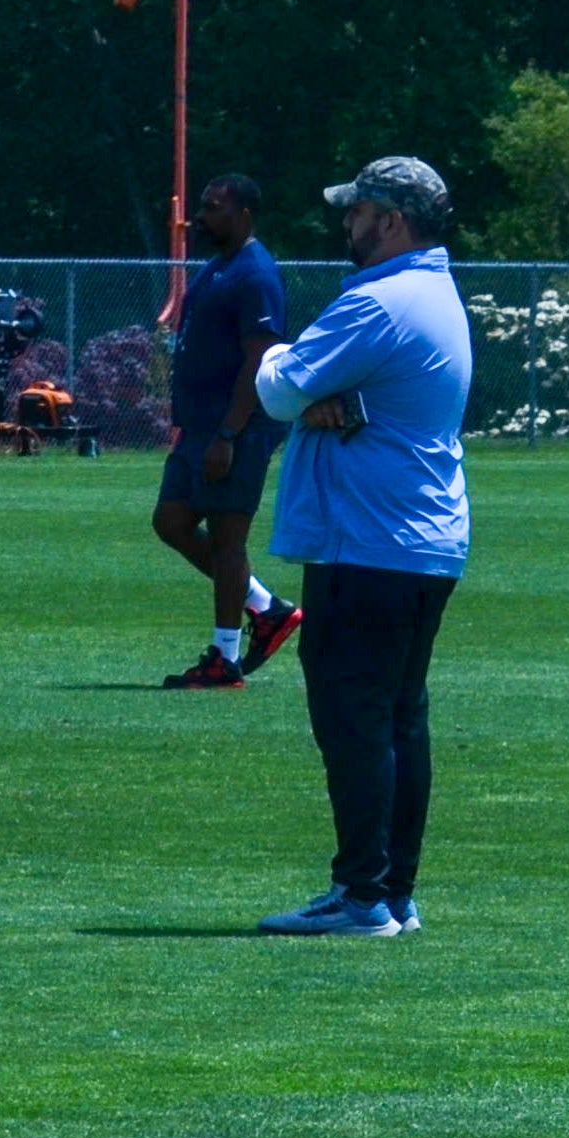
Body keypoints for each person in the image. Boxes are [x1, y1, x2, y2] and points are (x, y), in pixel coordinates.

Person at [242, 157, 475, 938]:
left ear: (393, 221)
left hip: (368, 541)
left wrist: (288, 371)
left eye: (359, 211)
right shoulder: (433, 291)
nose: (348, 222)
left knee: (354, 719)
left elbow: (277, 387)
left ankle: (361, 896)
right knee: (399, 717)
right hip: (420, 538)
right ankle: (392, 893)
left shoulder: (379, 300)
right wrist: (320, 392)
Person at [151, 174, 303, 689]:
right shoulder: (219, 266)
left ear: (244, 214)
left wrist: (229, 434)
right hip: (200, 428)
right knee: (171, 521)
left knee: (226, 538)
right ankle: (266, 607)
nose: (202, 216)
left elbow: (258, 359)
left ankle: (225, 658)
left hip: (234, 429)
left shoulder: (255, 273)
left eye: (214, 207)